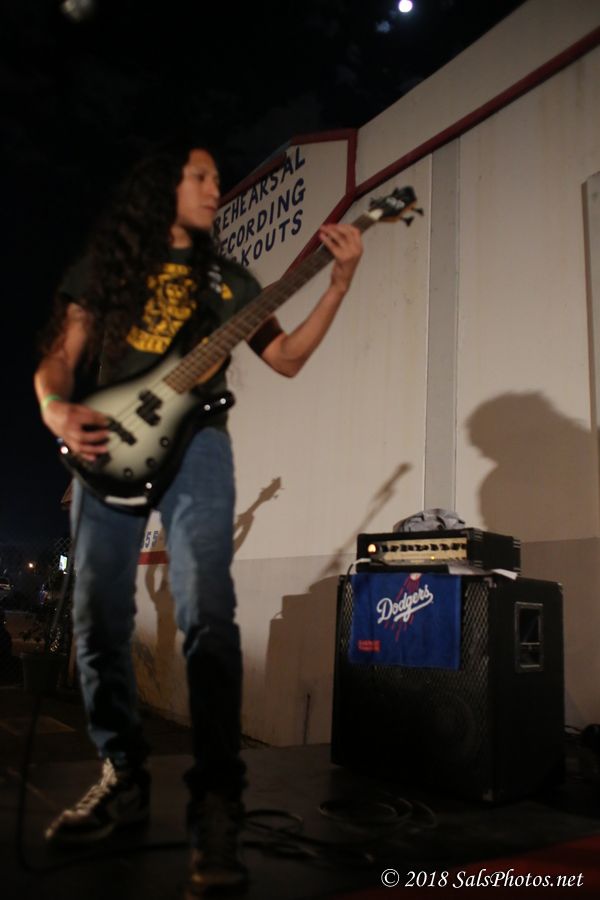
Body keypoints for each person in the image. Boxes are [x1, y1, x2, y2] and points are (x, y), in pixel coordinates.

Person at [34, 142, 362, 892]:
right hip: (110, 443)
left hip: (201, 443)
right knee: (96, 617)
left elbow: (286, 359)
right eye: (202, 176)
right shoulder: (110, 268)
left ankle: (218, 801)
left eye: (219, 177)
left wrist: (338, 285)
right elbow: (59, 358)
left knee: (209, 610)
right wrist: (56, 408)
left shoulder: (233, 281)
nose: (216, 186)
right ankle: (122, 774)